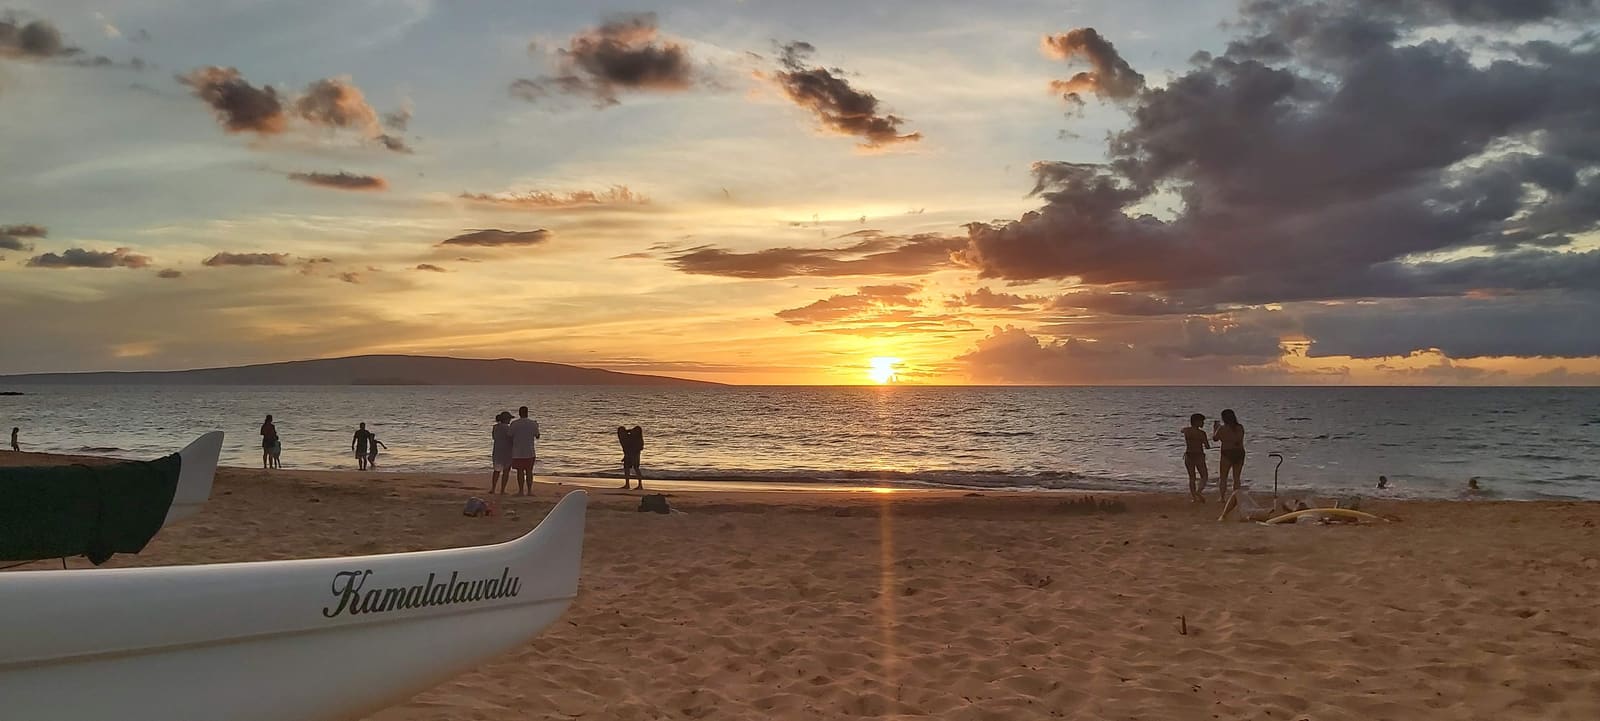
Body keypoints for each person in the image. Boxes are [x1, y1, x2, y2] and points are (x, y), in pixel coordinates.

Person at [1211, 408, 1246, 503]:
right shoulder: (1239, 427)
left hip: (1227, 453)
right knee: (1236, 477)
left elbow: (1215, 439)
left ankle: (1222, 497)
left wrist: (1215, 428)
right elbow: (1238, 440)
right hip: (1239, 452)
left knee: (1223, 477)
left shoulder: (1222, 428)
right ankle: (1236, 497)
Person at [507, 406, 541, 495]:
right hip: (529, 451)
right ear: (527, 412)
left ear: (519, 413)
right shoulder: (532, 423)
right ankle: (529, 491)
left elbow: (509, 436)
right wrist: (537, 426)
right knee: (529, 471)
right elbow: (537, 436)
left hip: (517, 451)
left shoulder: (514, 423)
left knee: (520, 471)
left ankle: (521, 491)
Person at [1181, 414, 1210, 503]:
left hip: (1189, 455)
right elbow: (1207, 446)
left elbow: (1182, 430)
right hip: (1198, 455)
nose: (1203, 423)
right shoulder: (1201, 433)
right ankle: (1199, 491)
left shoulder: (1186, 431)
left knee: (1192, 477)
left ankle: (1194, 497)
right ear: (1197, 422)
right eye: (1202, 421)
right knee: (1204, 476)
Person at [491, 411, 514, 494]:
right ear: (506, 419)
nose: (510, 420)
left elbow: (494, 437)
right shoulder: (508, 428)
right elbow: (511, 439)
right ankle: (502, 490)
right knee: (506, 472)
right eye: (509, 419)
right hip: (507, 451)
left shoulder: (495, 427)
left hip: (497, 450)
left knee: (496, 471)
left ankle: (493, 488)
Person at [618, 425, 645, 490]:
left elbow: (640, 447)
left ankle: (639, 485)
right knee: (627, 469)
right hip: (628, 454)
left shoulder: (633, 437)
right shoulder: (625, 437)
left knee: (635, 468)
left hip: (634, 454)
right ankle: (628, 484)